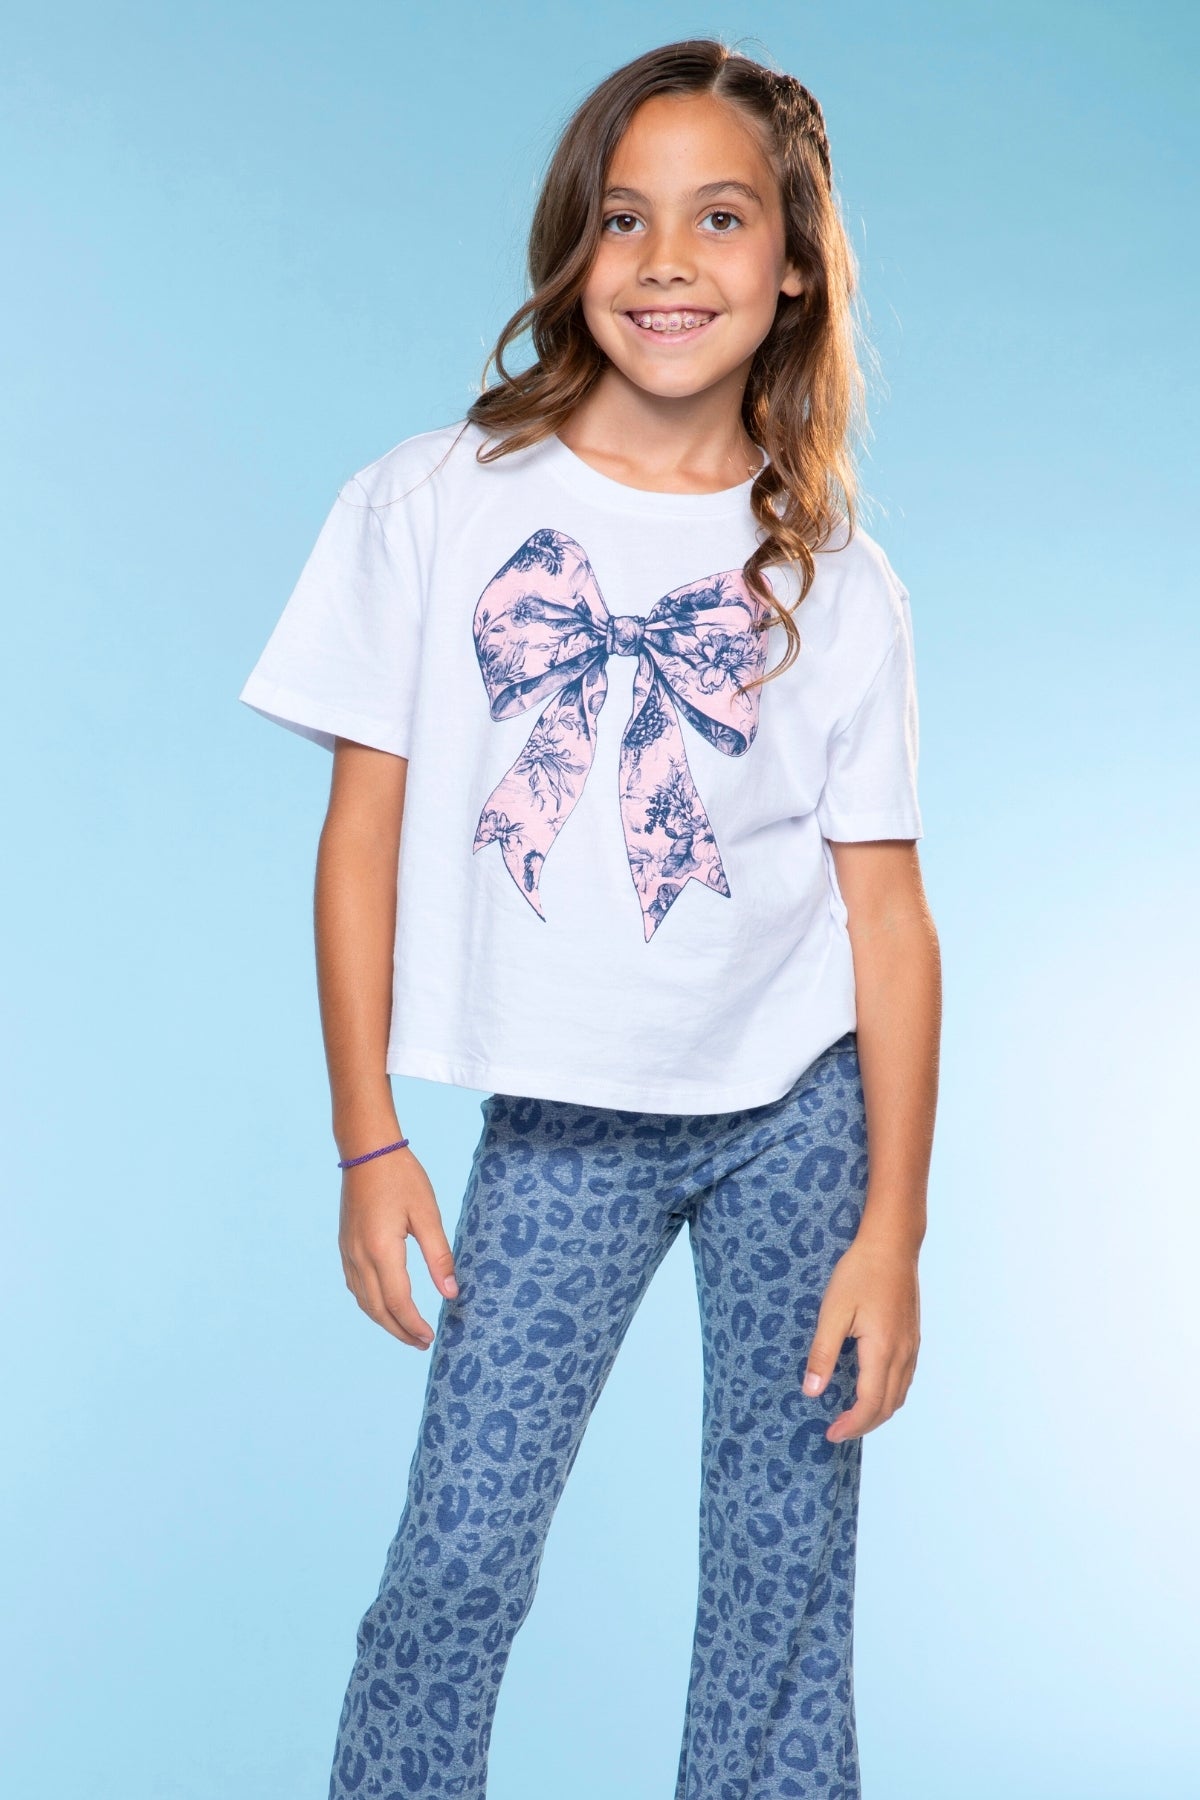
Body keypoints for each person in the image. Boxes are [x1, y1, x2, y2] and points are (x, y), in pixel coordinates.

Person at [239, 37, 940, 1800]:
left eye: (721, 218)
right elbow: (361, 835)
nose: (667, 261)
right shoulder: (437, 502)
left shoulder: (835, 580)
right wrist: (368, 1139)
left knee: (785, 1575)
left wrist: (895, 1232)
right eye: (625, 219)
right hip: (563, 1125)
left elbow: (889, 921)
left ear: (795, 268)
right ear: (575, 247)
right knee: (458, 1563)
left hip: (799, 1114)